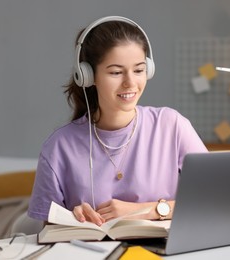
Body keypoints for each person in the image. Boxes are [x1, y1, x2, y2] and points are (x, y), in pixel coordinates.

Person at [28, 16, 208, 226]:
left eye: (139, 70)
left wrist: (145, 210)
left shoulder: (171, 126)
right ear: (88, 75)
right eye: (116, 72)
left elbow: (215, 198)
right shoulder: (59, 147)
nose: (130, 83)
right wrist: (71, 219)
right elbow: (49, 233)